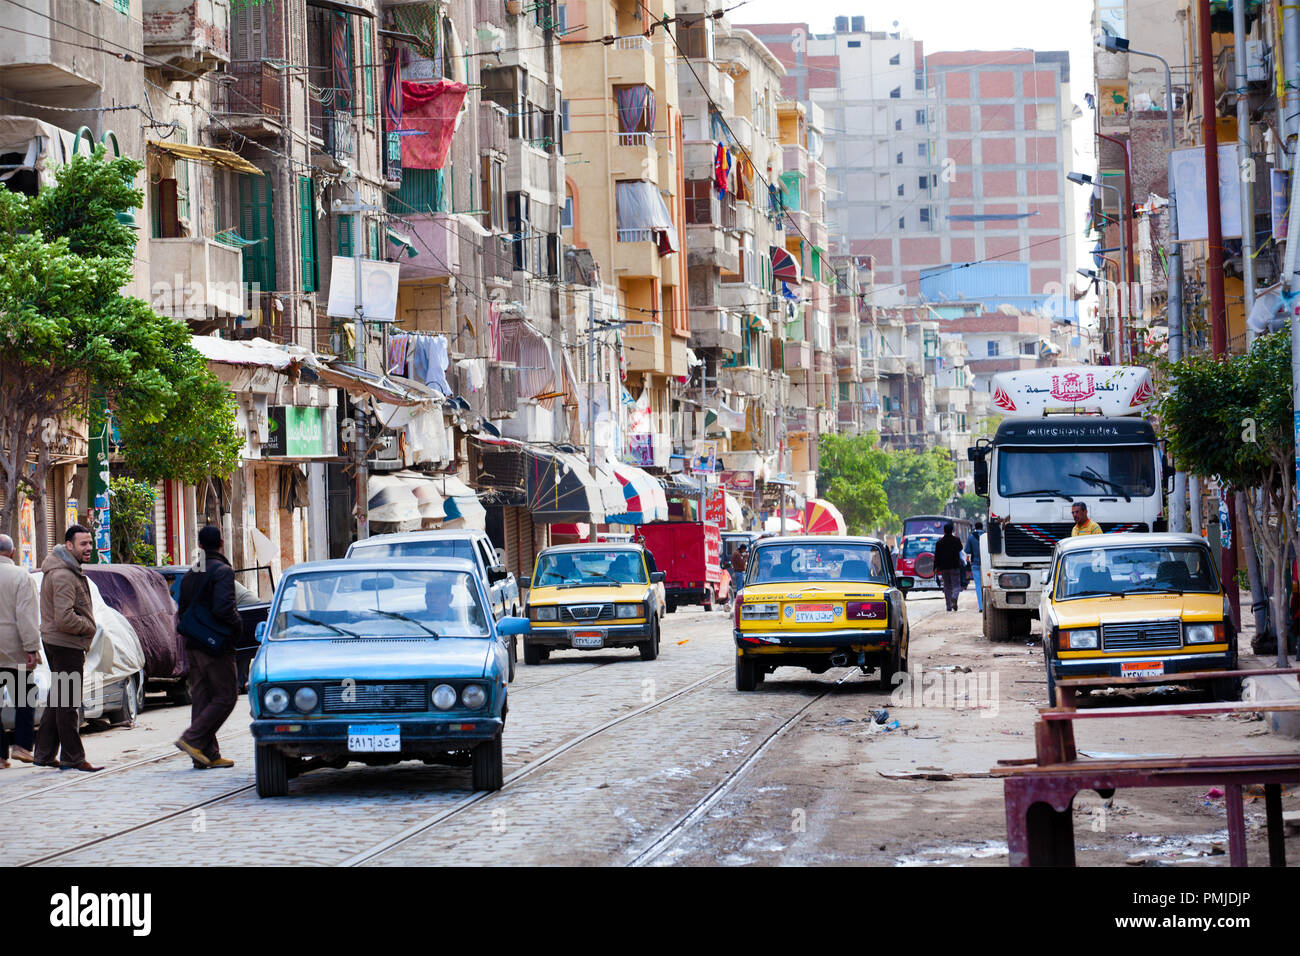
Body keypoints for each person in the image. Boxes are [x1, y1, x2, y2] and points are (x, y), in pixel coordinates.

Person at [175, 526, 243, 770]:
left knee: (203, 697)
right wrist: (237, 628)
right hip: (215, 644)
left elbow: (181, 608)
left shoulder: (193, 572)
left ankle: (206, 755)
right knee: (226, 696)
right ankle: (192, 738)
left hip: (193, 642)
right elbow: (224, 608)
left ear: (200, 546)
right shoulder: (223, 571)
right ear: (222, 543)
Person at [34, 524, 100, 772]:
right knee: (68, 702)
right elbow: (64, 618)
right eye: (83, 544)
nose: (88, 548)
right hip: (66, 644)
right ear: (69, 545)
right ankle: (73, 756)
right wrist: (89, 626)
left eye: (90, 543)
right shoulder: (63, 574)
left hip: (59, 642)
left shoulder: (68, 570)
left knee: (58, 699)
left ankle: (43, 753)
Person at [0, 533, 39, 768]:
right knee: (24, 697)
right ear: (13, 553)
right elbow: (27, 616)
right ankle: (22, 746)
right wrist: (32, 647)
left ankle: (0, 755)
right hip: (15, 647)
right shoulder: (21, 576)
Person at [933, 522, 965, 613]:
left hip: (943, 567)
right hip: (954, 566)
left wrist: (935, 568)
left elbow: (936, 557)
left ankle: (948, 606)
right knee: (956, 585)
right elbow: (960, 549)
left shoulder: (939, 542)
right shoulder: (956, 540)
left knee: (947, 586)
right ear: (952, 531)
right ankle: (954, 598)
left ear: (944, 531)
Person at [965, 521, 985, 612]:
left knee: (978, 585)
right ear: (982, 527)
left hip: (975, 564)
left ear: (975, 527)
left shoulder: (971, 537)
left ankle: (981, 607)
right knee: (987, 585)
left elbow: (967, 550)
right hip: (986, 564)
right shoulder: (987, 536)